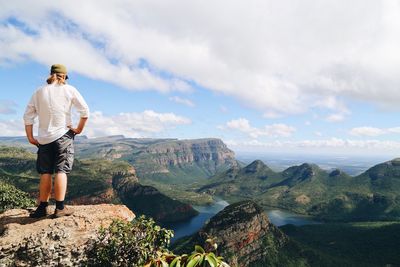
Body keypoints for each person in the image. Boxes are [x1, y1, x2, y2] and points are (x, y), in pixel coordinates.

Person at [23, 64, 89, 218]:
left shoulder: (38, 92)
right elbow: (85, 111)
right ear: (64, 76)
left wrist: (30, 137)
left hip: (44, 138)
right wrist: (78, 129)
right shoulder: (69, 90)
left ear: (51, 74)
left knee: (45, 172)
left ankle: (42, 208)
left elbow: (28, 116)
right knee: (61, 170)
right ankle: (59, 208)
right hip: (63, 135)